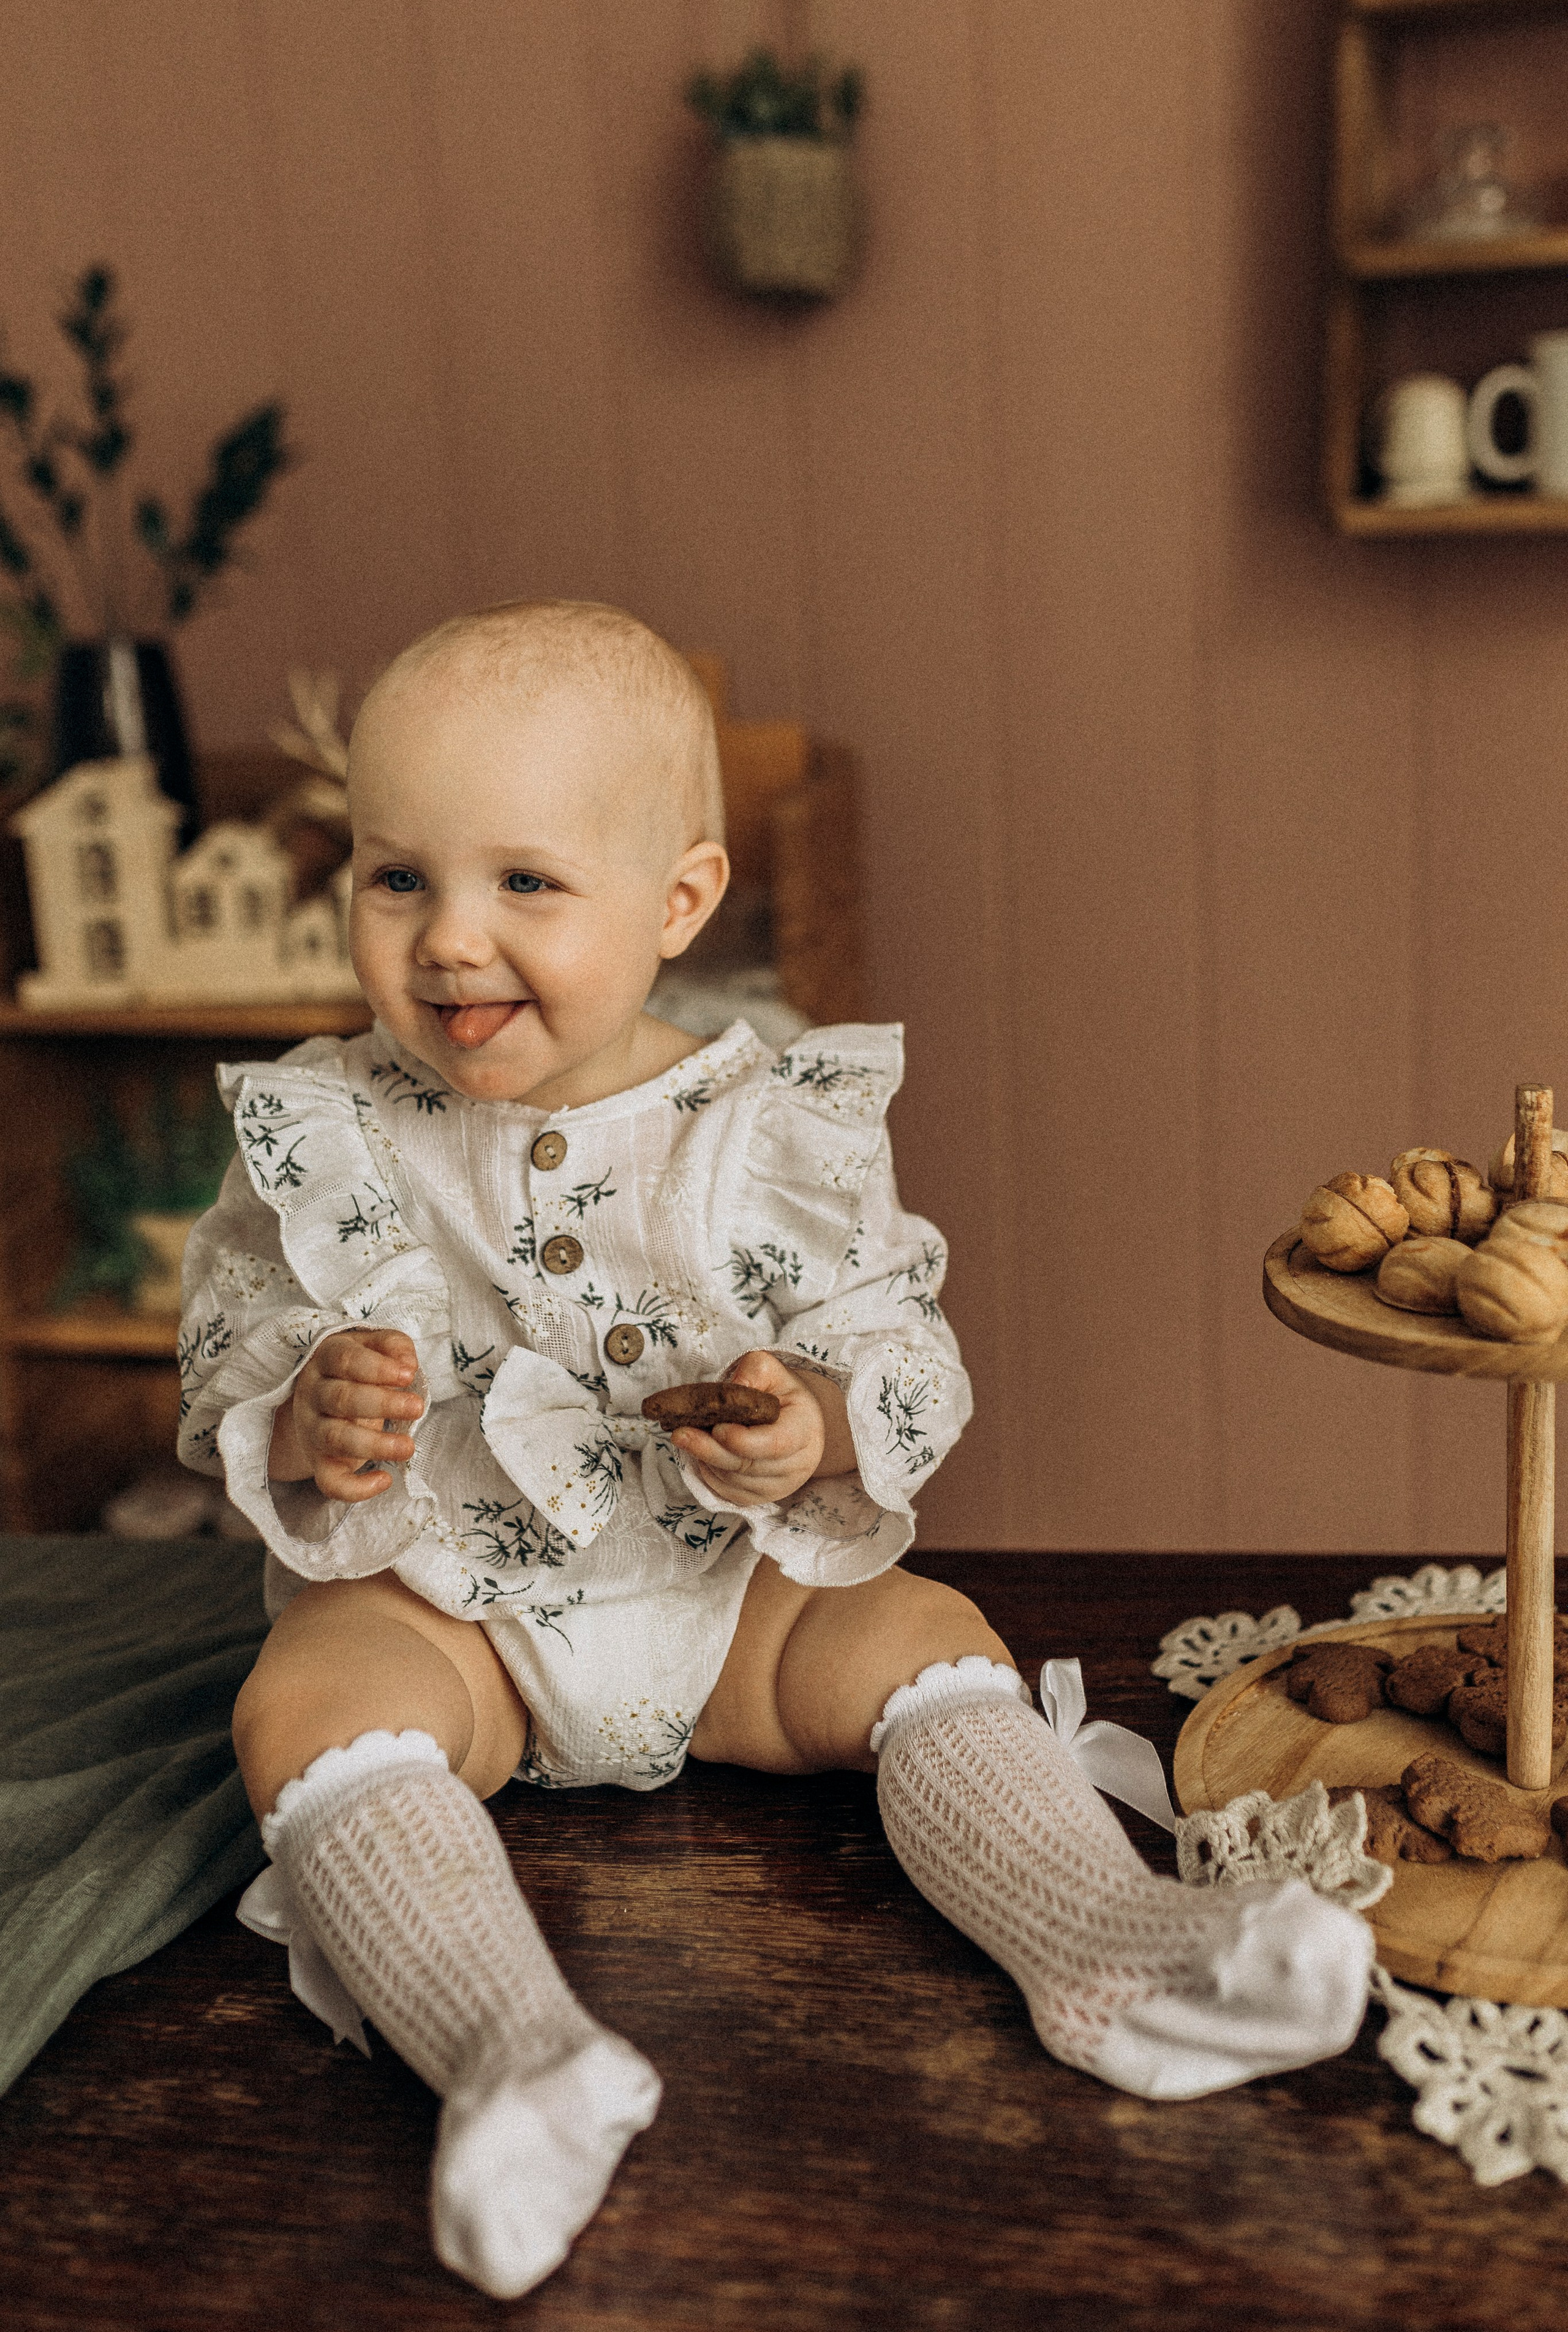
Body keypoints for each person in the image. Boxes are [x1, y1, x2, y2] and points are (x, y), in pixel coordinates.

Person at [179, 600, 1372, 2300]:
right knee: (304, 1695)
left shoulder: (766, 1128)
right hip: (460, 1622)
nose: (448, 940)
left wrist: (807, 1422)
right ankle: (514, 2055)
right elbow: (223, 1333)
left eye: (524, 882)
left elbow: (899, 1345)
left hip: (729, 1609)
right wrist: (306, 1413)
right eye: (396, 877)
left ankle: (1106, 1946)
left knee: (922, 1628)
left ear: (678, 902)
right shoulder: (326, 1127)